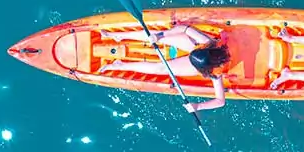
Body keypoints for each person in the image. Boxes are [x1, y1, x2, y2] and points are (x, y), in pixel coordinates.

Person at [98, 23, 229, 112]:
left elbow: (220, 101)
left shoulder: (215, 73)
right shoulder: (208, 43)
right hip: (205, 56)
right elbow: (184, 29)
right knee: (159, 37)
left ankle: (120, 66)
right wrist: (160, 36)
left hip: (207, 60)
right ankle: (118, 36)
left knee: (160, 69)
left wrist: (198, 106)